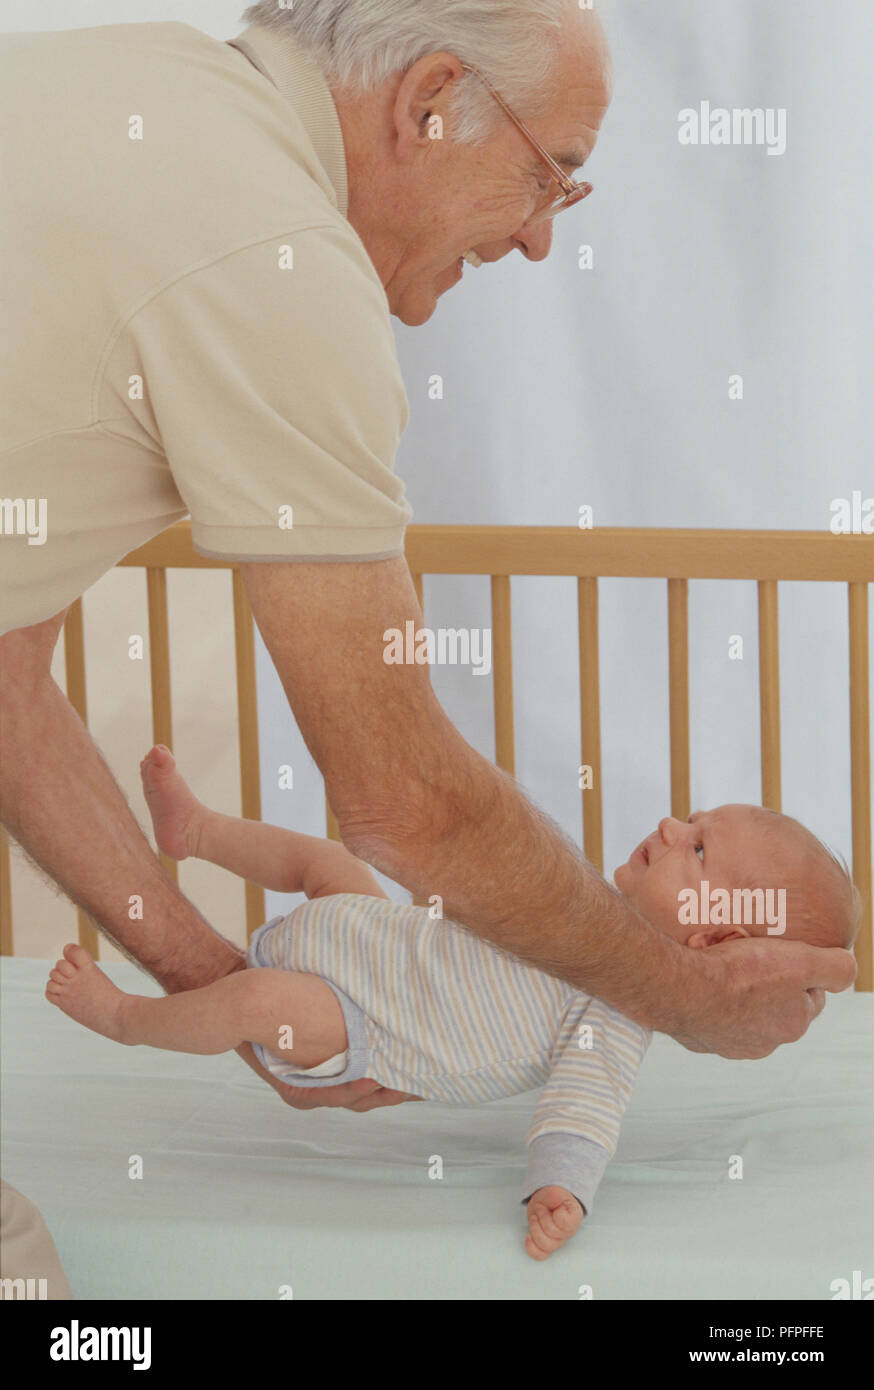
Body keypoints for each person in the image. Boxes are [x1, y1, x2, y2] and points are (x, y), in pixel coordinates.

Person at [0, 3, 855, 1151]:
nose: (542, 237)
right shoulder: (280, 263)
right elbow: (406, 802)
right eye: (550, 176)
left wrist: (213, 981)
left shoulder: (133, 72)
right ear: (429, 101)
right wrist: (684, 993)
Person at [44, 746, 861, 1261]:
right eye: (692, 820)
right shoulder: (576, 892)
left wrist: (560, 1190)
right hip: (365, 932)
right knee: (326, 859)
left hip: (353, 1020)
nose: (670, 825)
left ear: (714, 944)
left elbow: (586, 1107)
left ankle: (126, 1019)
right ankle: (199, 831)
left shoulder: (617, 1009)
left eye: (699, 849)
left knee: (252, 998)